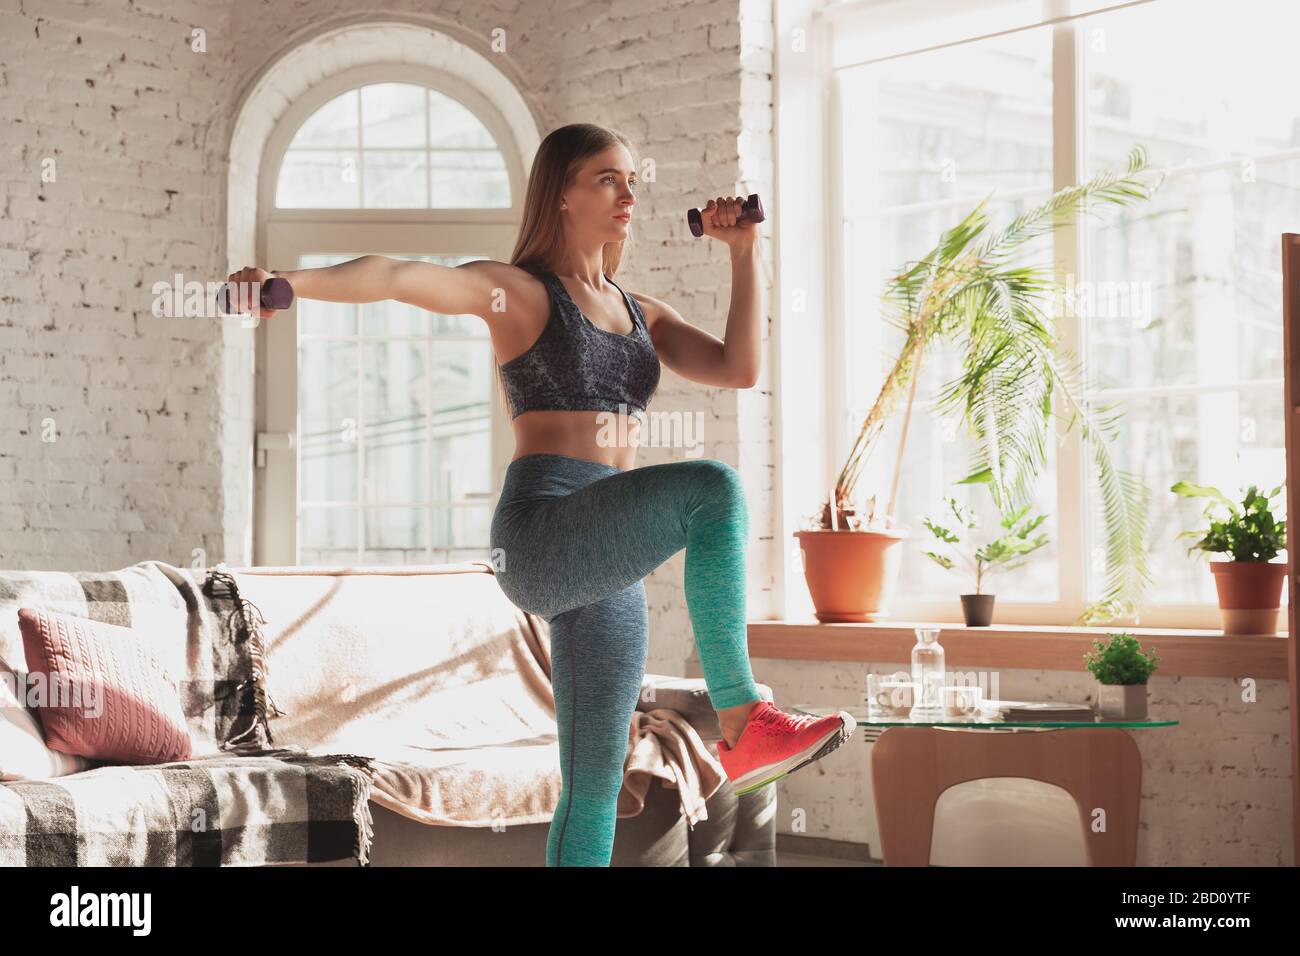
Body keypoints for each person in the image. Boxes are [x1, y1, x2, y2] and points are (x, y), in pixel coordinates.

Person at [225, 122, 855, 867]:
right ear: (560, 193)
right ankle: (746, 720)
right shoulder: (519, 293)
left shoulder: (638, 311)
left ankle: (743, 732)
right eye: (607, 179)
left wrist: (746, 252)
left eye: (631, 180)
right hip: (546, 525)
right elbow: (399, 273)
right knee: (712, 490)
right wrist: (288, 285)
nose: (628, 194)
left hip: (605, 551)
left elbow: (739, 368)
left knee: (592, 781)